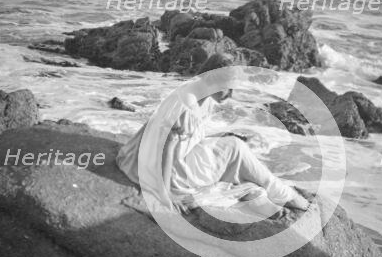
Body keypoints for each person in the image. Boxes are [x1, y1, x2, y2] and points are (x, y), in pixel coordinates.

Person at [116, 54, 309, 217]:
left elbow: (185, 136)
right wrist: (164, 197)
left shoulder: (200, 93)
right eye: (228, 87)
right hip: (166, 170)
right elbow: (167, 149)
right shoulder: (186, 104)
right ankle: (286, 196)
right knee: (236, 149)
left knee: (233, 149)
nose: (230, 95)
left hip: (177, 159)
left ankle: (263, 195)